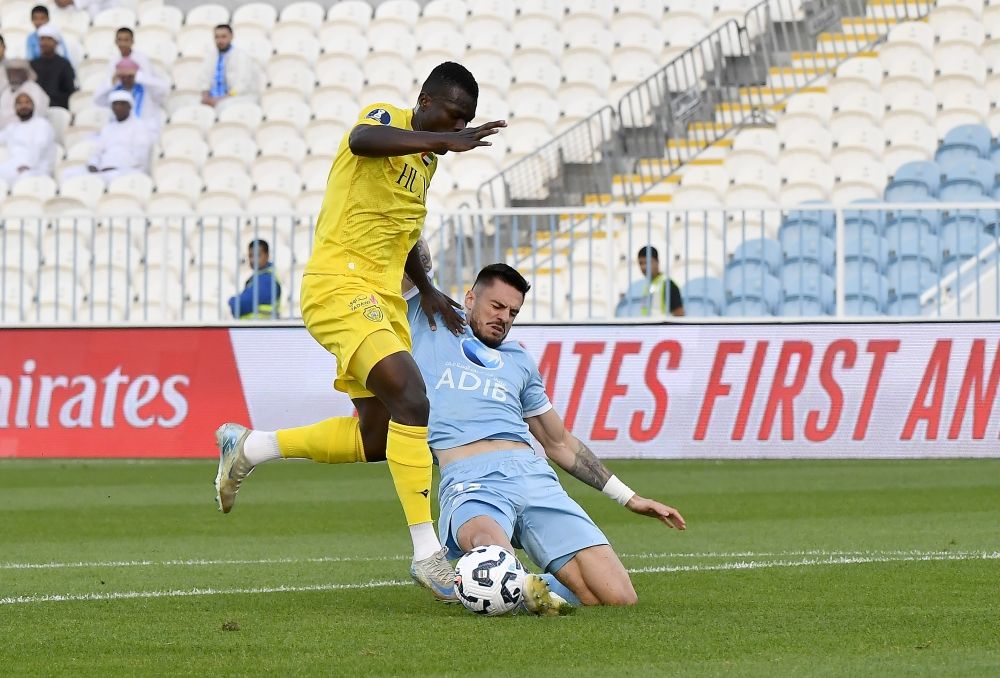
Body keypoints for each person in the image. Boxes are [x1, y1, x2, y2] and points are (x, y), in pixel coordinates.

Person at [216, 261, 687, 613]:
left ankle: (518, 586)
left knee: (616, 597)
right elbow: (403, 250)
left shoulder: (520, 361)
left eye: (513, 312)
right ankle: (501, 579)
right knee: (492, 552)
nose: (503, 317)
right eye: (496, 305)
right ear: (470, 297)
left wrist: (629, 498)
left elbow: (560, 444)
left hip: (535, 477)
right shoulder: (430, 315)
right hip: (470, 481)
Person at [213, 61, 506, 603]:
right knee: (414, 399)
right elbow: (363, 139)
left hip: (385, 298)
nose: (459, 126)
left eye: (467, 120)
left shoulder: (424, 160)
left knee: (376, 438)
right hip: (339, 285)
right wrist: (446, 139)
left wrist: (430, 290)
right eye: (453, 115)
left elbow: (404, 230)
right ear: (425, 100)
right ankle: (427, 555)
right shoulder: (387, 120)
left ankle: (250, 447)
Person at [80, 90, 151, 184]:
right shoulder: (108, 128)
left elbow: (140, 157)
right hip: (103, 169)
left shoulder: (139, 126)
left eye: (122, 104)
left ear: (129, 106)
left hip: (127, 171)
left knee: (106, 178)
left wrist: (115, 167)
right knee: (70, 174)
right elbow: (97, 152)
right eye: (115, 104)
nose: (118, 107)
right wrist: (93, 165)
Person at [94, 56, 167, 132]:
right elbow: (97, 100)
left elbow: (164, 88)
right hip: (119, 131)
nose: (126, 79)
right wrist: (111, 82)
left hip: (143, 131)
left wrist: (139, 76)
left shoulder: (147, 89)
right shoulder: (116, 91)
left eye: (130, 76)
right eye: (123, 77)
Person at [200, 24, 262, 111]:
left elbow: (243, 84)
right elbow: (205, 79)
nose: (220, 40)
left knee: (223, 107)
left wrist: (223, 98)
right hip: (214, 97)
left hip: (237, 97)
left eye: (223, 37)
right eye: (217, 37)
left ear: (231, 37)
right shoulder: (211, 56)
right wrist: (206, 96)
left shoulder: (241, 56)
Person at [0, 90, 56, 182]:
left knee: (24, 178)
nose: (23, 106)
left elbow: (39, 147)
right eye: (19, 103)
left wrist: (29, 165)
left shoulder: (41, 124)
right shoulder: (13, 127)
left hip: (37, 168)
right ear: (15, 108)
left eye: (27, 102)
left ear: (33, 105)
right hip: (14, 166)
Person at [615, 245, 685, 318]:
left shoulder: (668, 285)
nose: (644, 267)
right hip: (649, 328)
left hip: (662, 328)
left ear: (657, 262)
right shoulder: (648, 286)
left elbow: (679, 314)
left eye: (647, 262)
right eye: (641, 263)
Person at [228, 239, 281, 319]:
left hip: (261, 329)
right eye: (250, 256)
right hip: (256, 329)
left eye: (257, 255)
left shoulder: (267, 280)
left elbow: (239, 306)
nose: (253, 260)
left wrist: (231, 301)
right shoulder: (258, 278)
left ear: (267, 255)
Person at [29, 25, 75, 109]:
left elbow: (69, 91)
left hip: (58, 107)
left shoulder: (64, 64)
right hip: (36, 107)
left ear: (56, 42)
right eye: (42, 39)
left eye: (49, 39)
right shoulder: (32, 64)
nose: (45, 43)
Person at [0, 60, 49, 129]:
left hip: (29, 130)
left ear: (25, 73)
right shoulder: (6, 90)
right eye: (11, 72)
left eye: (17, 72)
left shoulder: (33, 89)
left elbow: (33, 114)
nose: (14, 75)